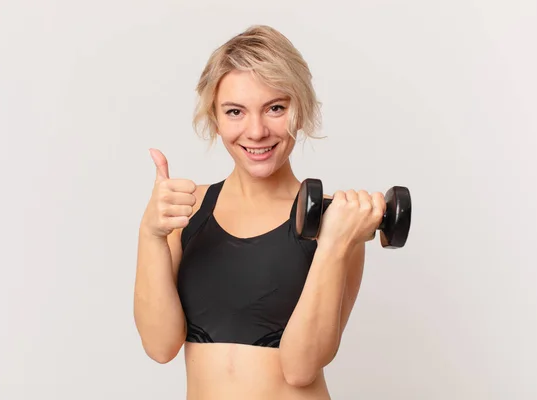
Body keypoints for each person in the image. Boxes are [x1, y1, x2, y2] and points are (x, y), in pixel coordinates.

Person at [133, 25, 386, 400]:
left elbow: (302, 367)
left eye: (275, 108)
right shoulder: (185, 211)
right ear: (215, 118)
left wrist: (333, 246)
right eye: (235, 111)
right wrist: (150, 235)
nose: (256, 130)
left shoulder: (337, 222)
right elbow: (160, 346)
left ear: (300, 110)